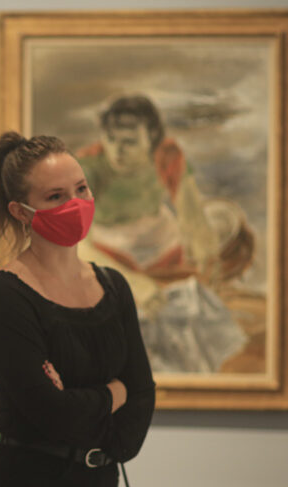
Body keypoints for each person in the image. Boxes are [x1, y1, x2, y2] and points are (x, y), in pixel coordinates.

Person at [0, 132, 155, 487]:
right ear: (21, 212)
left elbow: (141, 395)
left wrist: (96, 403)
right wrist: (114, 392)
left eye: (81, 188)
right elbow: (53, 416)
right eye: (55, 196)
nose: (75, 203)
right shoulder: (6, 294)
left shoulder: (113, 285)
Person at [77, 95, 251, 373]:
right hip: (108, 254)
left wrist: (207, 254)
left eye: (129, 142)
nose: (117, 151)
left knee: (187, 317)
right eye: (110, 139)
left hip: (164, 248)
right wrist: (135, 284)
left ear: (153, 140)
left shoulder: (168, 155)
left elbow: (192, 215)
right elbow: (79, 249)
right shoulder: (86, 167)